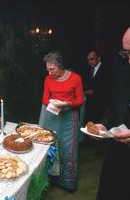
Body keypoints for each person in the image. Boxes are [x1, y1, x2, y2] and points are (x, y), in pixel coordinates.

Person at [94, 26, 130, 200]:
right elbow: (113, 107)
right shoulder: (124, 73)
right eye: (126, 54)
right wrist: (103, 125)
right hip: (116, 158)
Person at [40, 51, 84, 192]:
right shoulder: (48, 79)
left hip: (69, 118)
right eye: (48, 69)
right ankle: (51, 179)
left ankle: (68, 182)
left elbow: (79, 101)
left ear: (60, 66)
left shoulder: (76, 78)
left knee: (68, 149)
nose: (49, 72)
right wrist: (55, 103)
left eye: (52, 69)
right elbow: (45, 99)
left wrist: (67, 104)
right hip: (53, 115)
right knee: (52, 147)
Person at [84, 50, 113, 123]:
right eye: (88, 60)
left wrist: (84, 92)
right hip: (90, 105)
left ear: (99, 58)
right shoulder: (89, 69)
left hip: (102, 105)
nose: (90, 62)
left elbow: (105, 88)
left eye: (92, 59)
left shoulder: (107, 70)